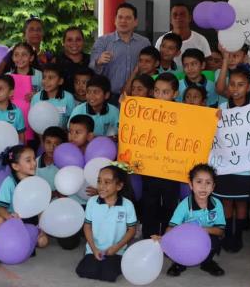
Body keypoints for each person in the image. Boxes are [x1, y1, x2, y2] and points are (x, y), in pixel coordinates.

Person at [153, 164, 226, 277]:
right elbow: (172, 226)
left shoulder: (217, 204)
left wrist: (202, 230)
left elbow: (220, 230)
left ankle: (207, 262)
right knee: (174, 241)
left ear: (213, 187)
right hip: (184, 239)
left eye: (208, 183)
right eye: (199, 182)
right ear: (191, 185)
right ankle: (179, 263)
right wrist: (164, 239)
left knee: (215, 240)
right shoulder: (184, 205)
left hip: (206, 237)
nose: (203, 187)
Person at [0, 145, 49, 269]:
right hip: (13, 219)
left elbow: (41, 209)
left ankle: (27, 244)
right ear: (15, 166)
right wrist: (10, 217)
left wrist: (43, 229)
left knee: (43, 242)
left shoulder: (37, 182)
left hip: (30, 219)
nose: (34, 163)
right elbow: (0, 208)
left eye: (34, 159)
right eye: (28, 160)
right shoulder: (9, 182)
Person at [214, 68, 250, 252]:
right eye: (232, 84)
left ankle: (238, 235)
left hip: (246, 166)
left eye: (241, 84)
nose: (236, 88)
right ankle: (227, 233)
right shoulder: (221, 109)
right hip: (224, 165)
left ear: (249, 87)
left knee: (241, 202)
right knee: (226, 202)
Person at [139, 74, 184, 239]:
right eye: (157, 91)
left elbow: (196, 130)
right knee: (149, 202)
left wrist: (213, 118)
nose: (159, 96)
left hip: (172, 169)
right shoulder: (144, 110)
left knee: (170, 204)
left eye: (165, 92)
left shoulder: (184, 113)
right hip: (150, 167)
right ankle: (148, 237)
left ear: (175, 94)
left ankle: (168, 237)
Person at [76, 165, 138, 282]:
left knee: (108, 276)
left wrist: (117, 247)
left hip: (116, 250)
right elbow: (87, 226)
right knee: (86, 271)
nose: (101, 186)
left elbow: (131, 230)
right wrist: (93, 249)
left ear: (119, 186)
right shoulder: (92, 202)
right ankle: (88, 254)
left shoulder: (127, 205)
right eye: (99, 181)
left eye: (107, 182)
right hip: (95, 248)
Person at [90, 3, 151, 102]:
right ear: (115, 20)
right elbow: (91, 67)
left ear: (135, 22)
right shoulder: (103, 41)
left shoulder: (144, 43)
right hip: (108, 97)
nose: (123, 21)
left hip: (136, 97)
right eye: (120, 17)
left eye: (128, 18)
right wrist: (98, 62)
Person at [54, 27, 91, 95]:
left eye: (78, 39)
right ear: (63, 43)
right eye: (70, 40)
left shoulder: (91, 61)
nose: (74, 43)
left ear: (83, 41)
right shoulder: (55, 62)